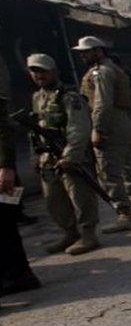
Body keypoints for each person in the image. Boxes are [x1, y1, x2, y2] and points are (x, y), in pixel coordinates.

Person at [73, 36, 131, 232]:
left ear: (98, 51)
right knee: (127, 171)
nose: (83, 55)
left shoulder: (101, 72)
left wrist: (97, 129)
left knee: (109, 174)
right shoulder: (114, 69)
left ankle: (125, 214)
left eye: (86, 52)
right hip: (123, 124)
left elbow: (102, 102)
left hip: (110, 127)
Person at [27, 54, 101, 255]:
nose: (39, 75)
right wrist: (35, 156)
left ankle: (88, 234)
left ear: (54, 71)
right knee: (54, 200)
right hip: (47, 157)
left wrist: (70, 156)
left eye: (42, 71)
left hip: (69, 154)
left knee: (80, 196)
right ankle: (69, 232)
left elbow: (79, 128)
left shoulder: (69, 96)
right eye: (34, 71)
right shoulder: (37, 97)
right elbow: (34, 129)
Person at [0, 89, 41, 295]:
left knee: (6, 225)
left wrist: (6, 167)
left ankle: (20, 276)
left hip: (3, 174)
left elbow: (3, 132)